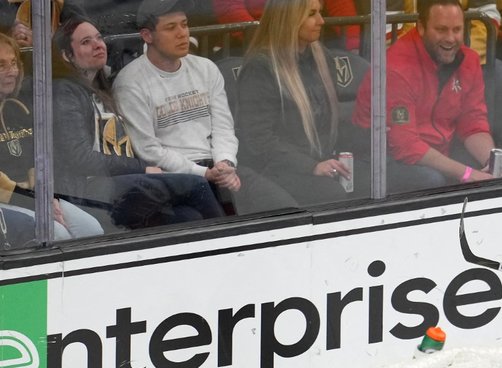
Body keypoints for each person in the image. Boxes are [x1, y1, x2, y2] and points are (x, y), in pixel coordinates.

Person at [113, 0, 293, 215]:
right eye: (171, 28)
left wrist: (225, 164)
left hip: (217, 166)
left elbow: (223, 127)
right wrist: (204, 173)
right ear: (147, 36)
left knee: (284, 207)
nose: (182, 34)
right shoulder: (130, 82)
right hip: (174, 176)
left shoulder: (206, 68)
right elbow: (149, 151)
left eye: (185, 24)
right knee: (218, 223)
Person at [52, 15, 224, 231]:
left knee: (188, 217)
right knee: (196, 184)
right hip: (88, 188)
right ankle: (237, 247)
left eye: (99, 38)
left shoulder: (102, 88)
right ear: (67, 55)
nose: (98, 45)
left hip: (119, 183)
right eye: (86, 42)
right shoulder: (65, 92)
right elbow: (80, 158)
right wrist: (143, 168)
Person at [351, 0, 502, 193]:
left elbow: (473, 123)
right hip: (381, 159)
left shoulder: (469, 60)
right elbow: (406, 146)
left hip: (439, 151)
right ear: (421, 28)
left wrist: (491, 165)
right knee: (432, 181)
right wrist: (466, 173)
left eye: (457, 30)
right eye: (441, 29)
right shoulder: (396, 68)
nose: (451, 38)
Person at [233, 0, 352, 207]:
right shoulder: (260, 68)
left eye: (320, 13)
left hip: (321, 160)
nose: (321, 21)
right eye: (311, 14)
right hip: (275, 170)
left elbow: (331, 121)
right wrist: (311, 167)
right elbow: (258, 140)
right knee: (333, 196)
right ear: (289, 19)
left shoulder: (321, 56)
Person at [0, 32, 103, 239]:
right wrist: (36, 201)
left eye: (14, 63)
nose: (11, 71)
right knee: (56, 234)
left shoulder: (19, 108)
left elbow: (37, 159)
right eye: (1, 65)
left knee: (91, 229)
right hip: (8, 201)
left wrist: (48, 197)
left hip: (35, 195)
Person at [211, 0, 363, 54]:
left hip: (308, 40)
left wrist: (354, 44)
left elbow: (339, 4)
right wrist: (272, 43)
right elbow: (229, 9)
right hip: (251, 46)